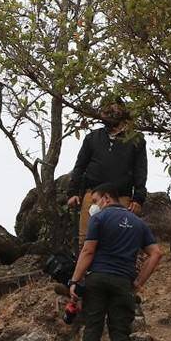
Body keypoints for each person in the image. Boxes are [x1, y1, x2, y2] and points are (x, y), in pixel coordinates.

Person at [69, 183, 162, 341]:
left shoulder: (99, 218)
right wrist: (138, 282)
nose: (93, 206)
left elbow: (88, 251)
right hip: (123, 282)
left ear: (106, 198)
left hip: (98, 279)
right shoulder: (139, 224)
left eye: (95, 201)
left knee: (93, 326)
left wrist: (74, 280)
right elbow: (156, 253)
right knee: (120, 330)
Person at [66, 102, 148, 250]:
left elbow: (140, 171)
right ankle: (85, 273)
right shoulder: (92, 138)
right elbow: (79, 166)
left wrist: (138, 198)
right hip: (93, 194)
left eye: (113, 115)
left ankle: (114, 272)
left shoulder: (136, 140)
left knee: (118, 240)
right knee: (86, 240)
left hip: (121, 197)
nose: (109, 120)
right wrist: (72, 192)